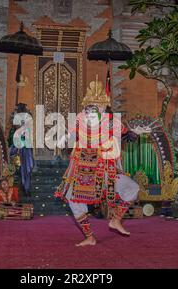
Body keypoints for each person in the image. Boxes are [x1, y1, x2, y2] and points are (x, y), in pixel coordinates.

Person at [55, 79, 139, 247]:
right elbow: (69, 135)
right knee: (74, 200)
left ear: (104, 108)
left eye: (100, 106)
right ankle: (89, 237)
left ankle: (116, 220)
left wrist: (131, 135)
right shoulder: (79, 120)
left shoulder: (111, 121)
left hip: (105, 169)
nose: (95, 109)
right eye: (91, 106)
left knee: (132, 188)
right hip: (82, 169)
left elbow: (125, 134)